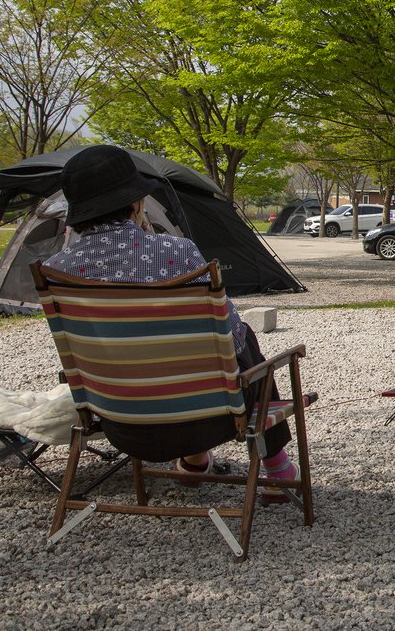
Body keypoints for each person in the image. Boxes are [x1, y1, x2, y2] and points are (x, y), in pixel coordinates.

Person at [44, 144, 301, 501]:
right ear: (136, 204)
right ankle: (275, 469)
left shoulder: (56, 270)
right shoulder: (176, 252)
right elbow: (229, 338)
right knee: (246, 341)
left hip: (119, 419)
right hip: (206, 417)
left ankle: (195, 461)